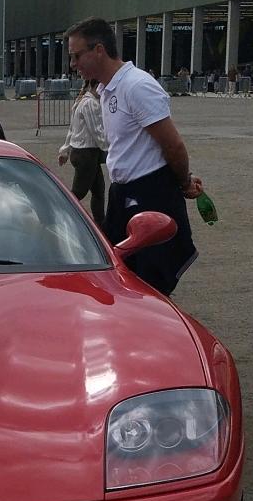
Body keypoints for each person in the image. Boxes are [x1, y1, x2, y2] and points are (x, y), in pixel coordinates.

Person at [67, 18, 202, 295]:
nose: (73, 64)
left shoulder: (137, 86)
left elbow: (173, 144)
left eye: (77, 55)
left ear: (99, 50)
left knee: (149, 281)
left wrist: (183, 182)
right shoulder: (106, 91)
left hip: (149, 192)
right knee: (120, 275)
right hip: (124, 192)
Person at [57, 76, 107, 229]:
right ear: (96, 86)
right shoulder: (90, 104)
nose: (104, 91)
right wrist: (114, 149)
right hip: (87, 154)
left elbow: (72, 130)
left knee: (99, 190)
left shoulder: (81, 101)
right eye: (103, 87)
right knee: (78, 194)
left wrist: (65, 150)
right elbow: (97, 132)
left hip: (83, 152)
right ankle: (60, 219)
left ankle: (101, 225)